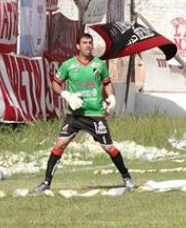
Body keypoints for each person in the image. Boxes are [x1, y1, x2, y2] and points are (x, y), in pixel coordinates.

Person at [34, 33, 134, 192]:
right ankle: (46, 182)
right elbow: (56, 83)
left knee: (109, 148)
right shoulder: (68, 65)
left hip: (95, 114)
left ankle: (127, 177)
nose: (88, 46)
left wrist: (112, 97)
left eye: (90, 43)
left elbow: (107, 83)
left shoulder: (99, 64)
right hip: (74, 115)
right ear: (78, 46)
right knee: (60, 144)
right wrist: (66, 94)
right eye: (85, 43)